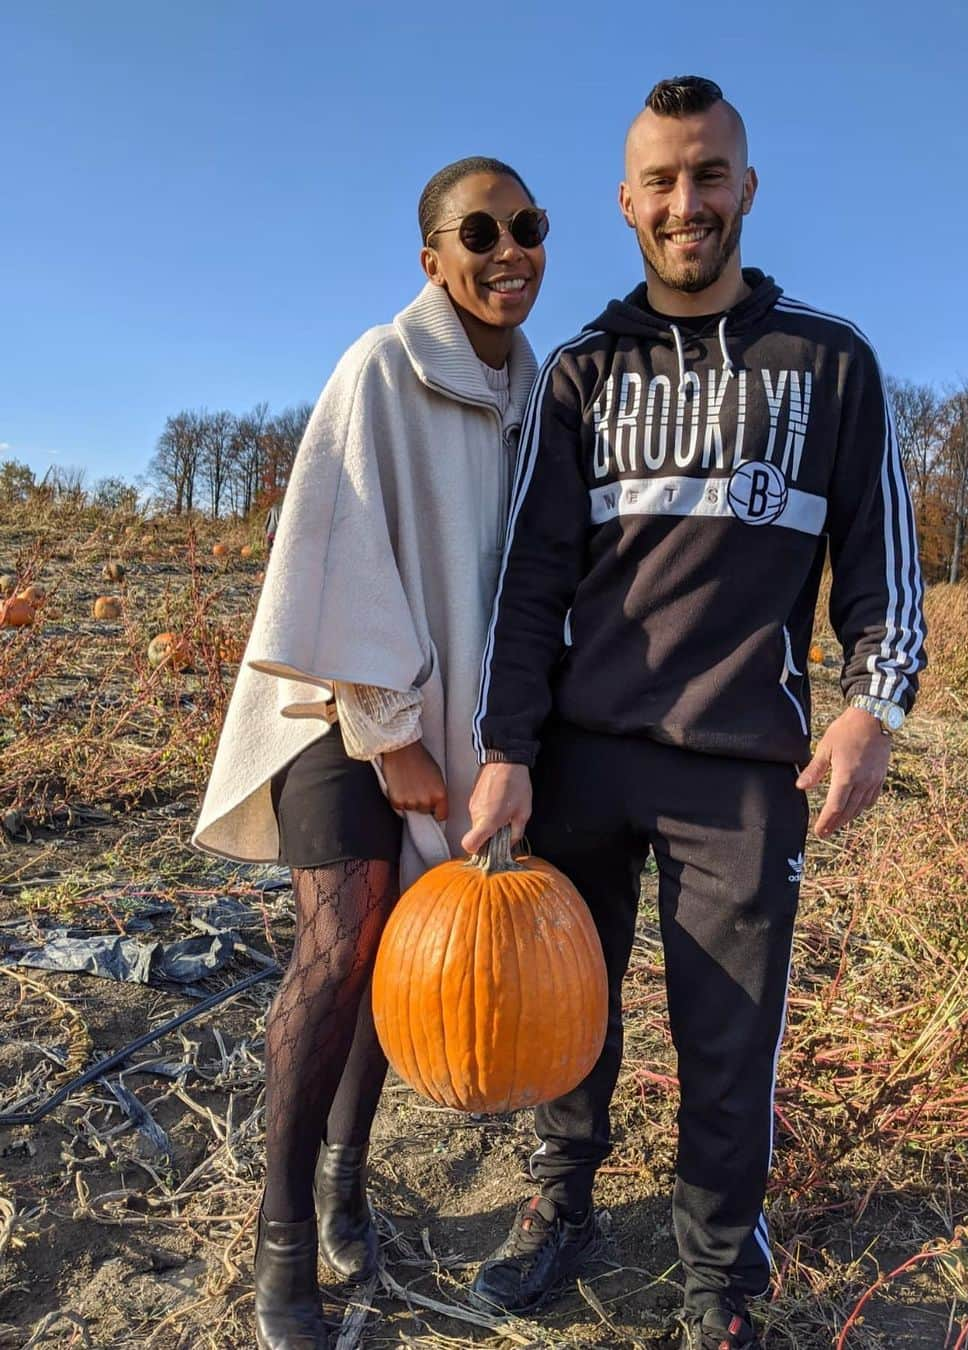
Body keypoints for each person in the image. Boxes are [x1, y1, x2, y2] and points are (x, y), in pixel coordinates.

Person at [463, 77, 926, 1350]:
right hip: (584, 754)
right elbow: (530, 582)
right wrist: (506, 751)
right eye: (662, 181)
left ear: (747, 188)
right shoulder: (582, 371)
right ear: (625, 202)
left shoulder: (831, 362)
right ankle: (563, 1208)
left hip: (742, 767)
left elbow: (884, 564)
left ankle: (720, 1267)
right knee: (571, 1011)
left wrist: (871, 709)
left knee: (732, 1032)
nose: (687, 203)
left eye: (709, 175)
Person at [192, 157, 546, 1349]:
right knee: (340, 950)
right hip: (341, 706)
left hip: (443, 721)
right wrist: (390, 731)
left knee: (405, 951)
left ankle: (349, 1180)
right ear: (433, 256)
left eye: (527, 227)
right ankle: (281, 1232)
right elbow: (331, 545)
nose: (508, 251)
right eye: (479, 231)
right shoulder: (380, 368)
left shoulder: (535, 398)